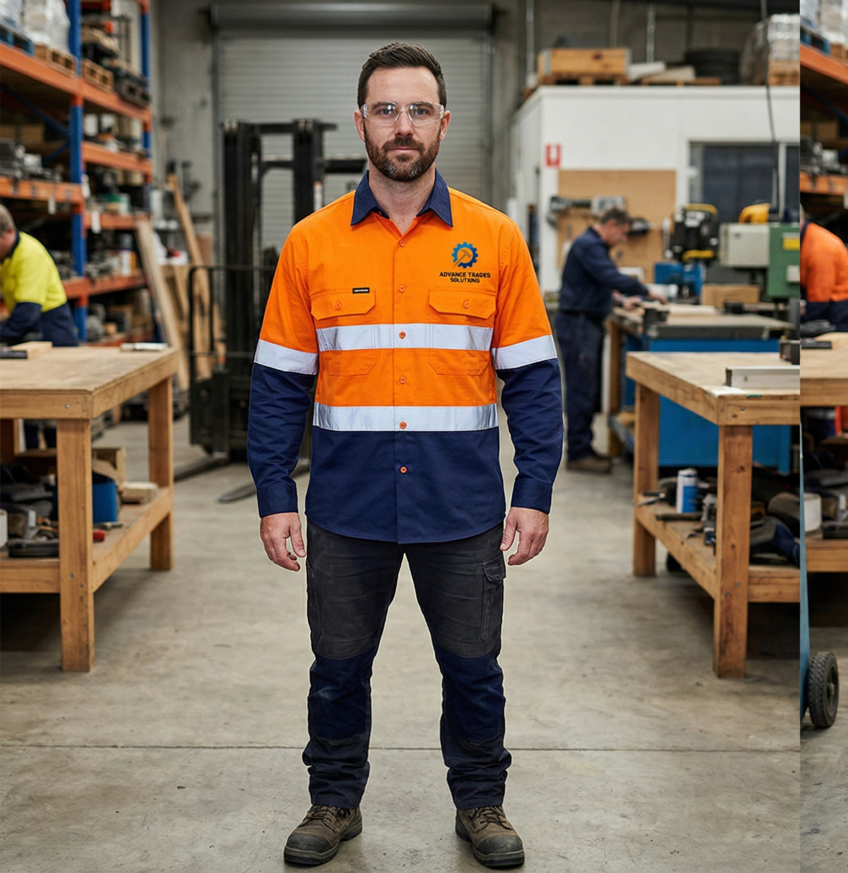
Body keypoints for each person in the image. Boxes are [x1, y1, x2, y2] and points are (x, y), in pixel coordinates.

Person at [247, 43, 562, 869]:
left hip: (461, 505)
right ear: (361, 122)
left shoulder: (494, 240)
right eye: (386, 109)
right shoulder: (311, 245)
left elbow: (532, 379)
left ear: (443, 123)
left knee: (472, 666)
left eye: (418, 110)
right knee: (338, 665)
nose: (402, 125)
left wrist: (534, 488)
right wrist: (275, 491)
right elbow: (279, 382)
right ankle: (333, 798)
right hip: (347, 506)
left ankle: (481, 802)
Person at [555, 207, 658, 473]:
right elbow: (609, 277)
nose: (623, 239)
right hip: (578, 325)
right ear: (611, 225)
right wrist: (647, 292)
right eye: (622, 233)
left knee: (588, 388)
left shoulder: (590, 245)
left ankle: (584, 448)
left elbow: (596, 285)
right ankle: (578, 453)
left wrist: (622, 299)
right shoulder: (590, 245)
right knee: (581, 389)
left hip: (583, 323)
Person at [0, 204, 79, 347]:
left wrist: (3, 336)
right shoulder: (5, 256)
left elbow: (28, 310)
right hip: (30, 324)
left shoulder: (29, 255)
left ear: (9, 232)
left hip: (51, 328)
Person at [799, 219, 848, 337]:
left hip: (845, 317)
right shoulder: (805, 240)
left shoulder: (820, 248)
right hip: (834, 312)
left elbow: (819, 301)